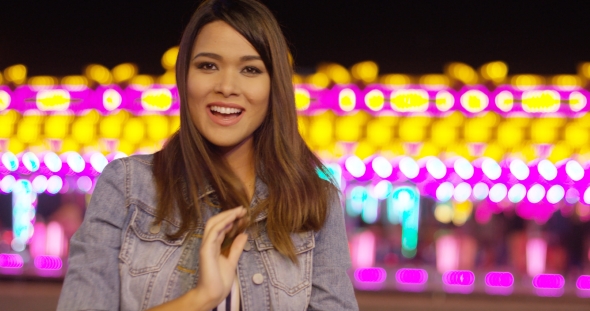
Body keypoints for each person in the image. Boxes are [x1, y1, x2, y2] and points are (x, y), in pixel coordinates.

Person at [57, 0, 358, 310]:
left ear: (274, 86)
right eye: (208, 65)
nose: (226, 86)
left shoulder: (314, 200)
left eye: (250, 69)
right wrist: (200, 299)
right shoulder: (126, 187)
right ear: (184, 77)